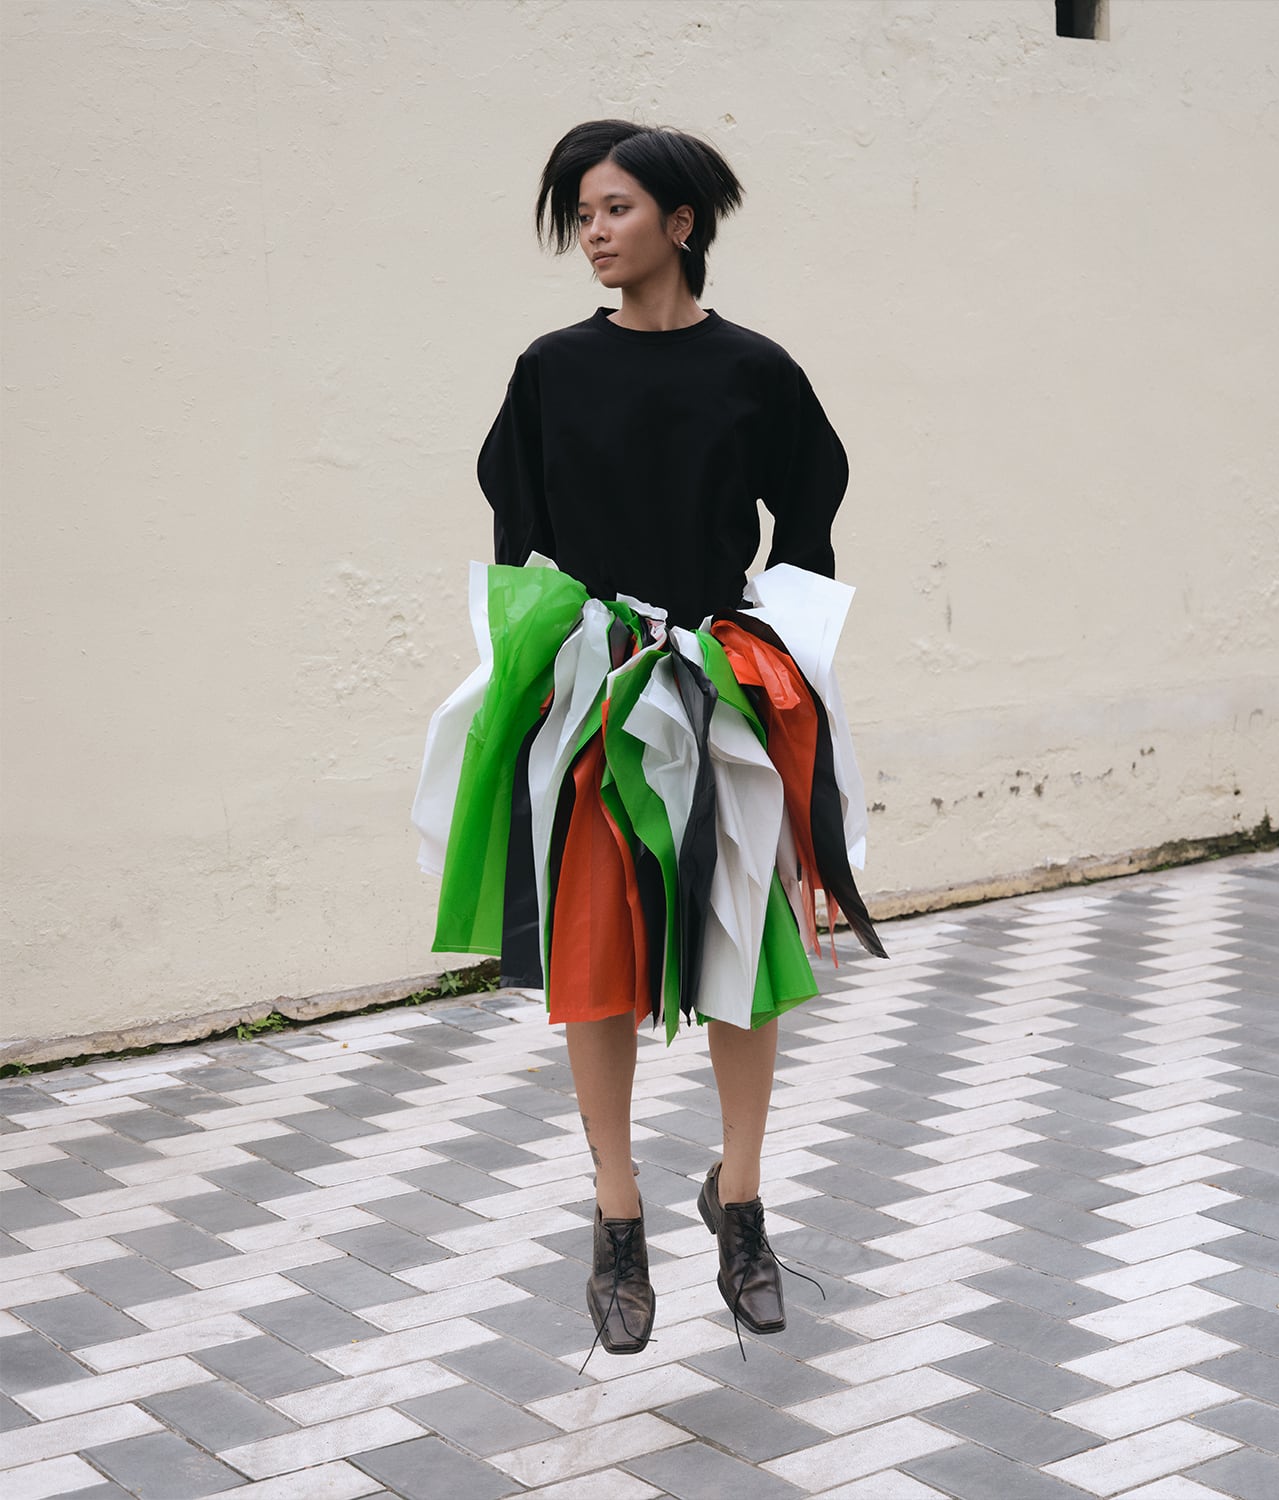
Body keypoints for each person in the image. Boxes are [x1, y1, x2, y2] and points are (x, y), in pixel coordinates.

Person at [416, 119, 884, 1361]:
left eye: (614, 209)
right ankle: (616, 1218)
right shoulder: (551, 370)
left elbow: (814, 509)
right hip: (597, 696)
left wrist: (775, 645)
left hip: (720, 688)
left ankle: (741, 1202)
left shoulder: (755, 371)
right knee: (597, 957)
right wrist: (563, 657)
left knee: (742, 943)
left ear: (681, 224)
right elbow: (518, 534)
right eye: (581, 214)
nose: (593, 232)